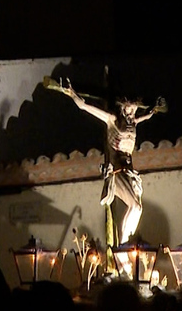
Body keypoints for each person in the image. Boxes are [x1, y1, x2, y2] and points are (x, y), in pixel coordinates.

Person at [46, 77, 165, 245]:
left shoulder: (134, 122)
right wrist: (72, 93)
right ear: (122, 109)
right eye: (129, 111)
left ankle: (127, 242)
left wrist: (154, 109)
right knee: (136, 207)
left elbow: (146, 116)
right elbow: (85, 106)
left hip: (130, 171)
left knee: (138, 208)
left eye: (134, 111)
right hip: (117, 171)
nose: (132, 115)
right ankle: (124, 244)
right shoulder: (112, 120)